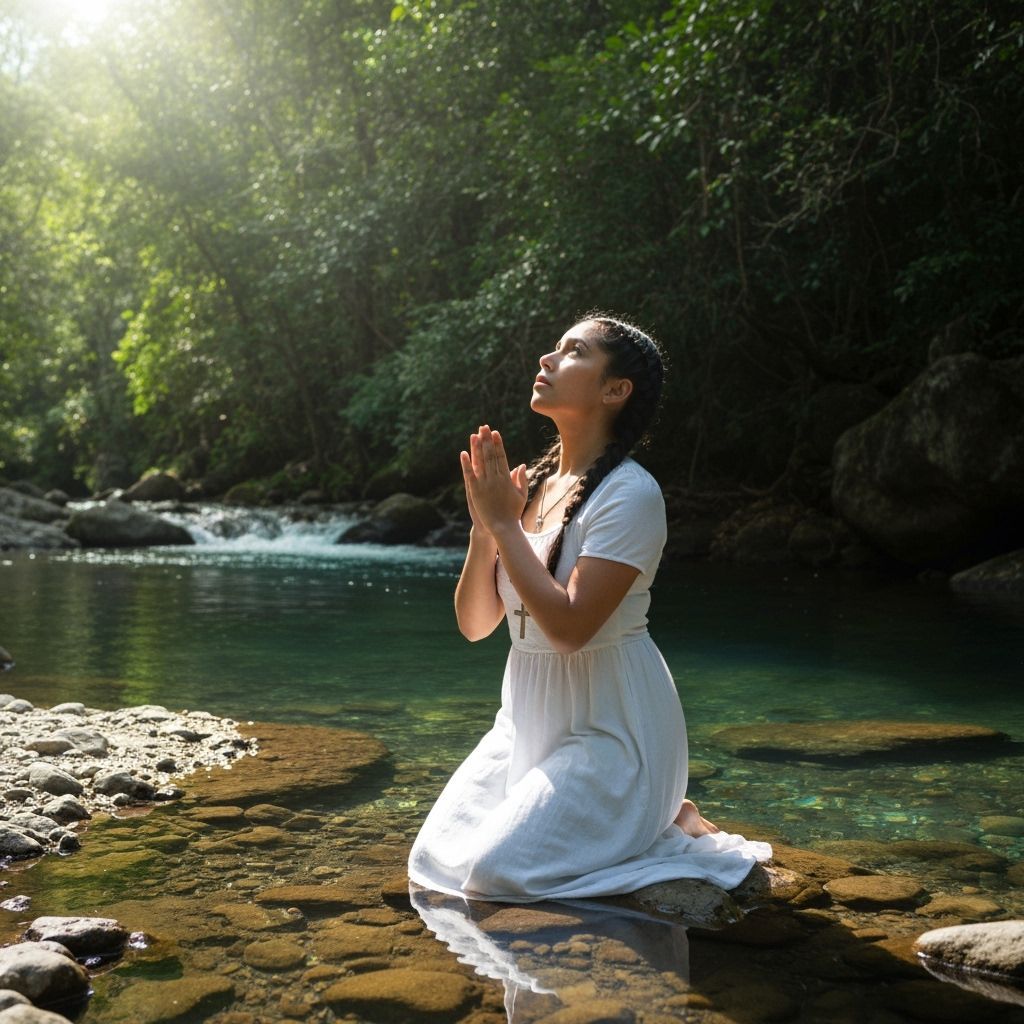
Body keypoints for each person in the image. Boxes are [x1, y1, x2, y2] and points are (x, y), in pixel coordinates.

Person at [408, 314, 772, 901]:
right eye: (553, 349)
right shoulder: (535, 488)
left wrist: (504, 522)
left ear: (614, 390)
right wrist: (485, 531)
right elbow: (477, 626)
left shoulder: (631, 494)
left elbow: (570, 630)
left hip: (613, 732)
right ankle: (655, 817)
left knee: (500, 875)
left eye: (572, 351)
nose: (547, 360)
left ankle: (659, 813)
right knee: (434, 862)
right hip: (524, 724)